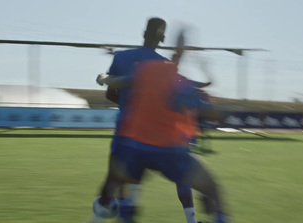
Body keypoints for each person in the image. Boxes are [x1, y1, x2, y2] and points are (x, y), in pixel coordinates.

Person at [95, 18, 203, 223]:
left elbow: (110, 94)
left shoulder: (121, 57)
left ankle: (100, 217)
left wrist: (127, 106)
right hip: (151, 136)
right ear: (162, 38)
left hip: (124, 132)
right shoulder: (163, 65)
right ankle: (193, 220)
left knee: (115, 181)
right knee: (177, 176)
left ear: (144, 32)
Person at [95, 59, 228, 223]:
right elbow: (209, 104)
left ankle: (122, 214)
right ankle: (209, 217)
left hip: (137, 144)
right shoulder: (179, 82)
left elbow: (113, 82)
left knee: (124, 179)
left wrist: (102, 78)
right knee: (203, 185)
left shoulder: (141, 76)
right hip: (169, 147)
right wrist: (207, 74)